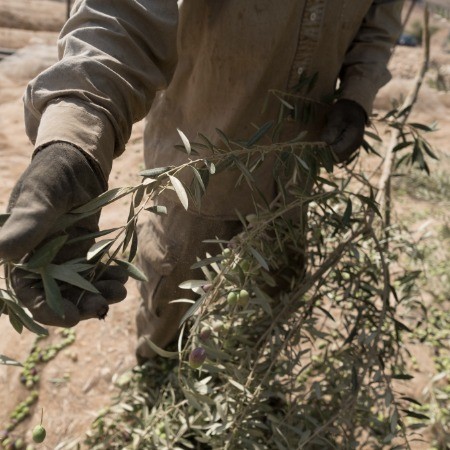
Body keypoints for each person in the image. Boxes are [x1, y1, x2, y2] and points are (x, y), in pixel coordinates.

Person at [0, 1, 404, 363]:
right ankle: (156, 375)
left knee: (271, 292)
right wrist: (74, 143)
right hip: (196, 170)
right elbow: (123, 18)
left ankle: (235, 385)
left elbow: (378, 19)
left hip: (297, 167)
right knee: (170, 302)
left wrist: (357, 93)